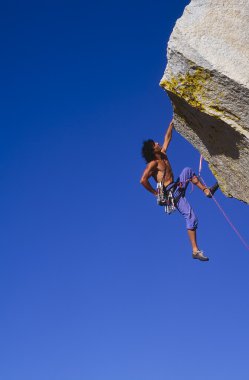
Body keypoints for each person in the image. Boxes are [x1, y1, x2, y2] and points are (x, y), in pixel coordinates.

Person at [140, 119, 219, 261]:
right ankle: (195, 250)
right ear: (153, 150)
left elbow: (167, 138)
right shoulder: (153, 164)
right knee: (191, 217)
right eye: (155, 144)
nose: (158, 143)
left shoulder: (163, 154)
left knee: (188, 171)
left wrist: (171, 124)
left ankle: (207, 191)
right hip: (172, 195)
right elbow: (143, 180)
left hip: (177, 186)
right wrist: (155, 192)